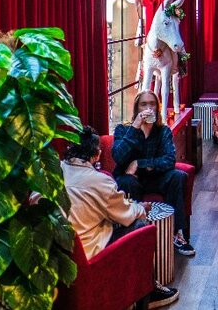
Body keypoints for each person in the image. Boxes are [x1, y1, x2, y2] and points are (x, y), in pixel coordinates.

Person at [62, 127, 179, 308]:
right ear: (97, 154)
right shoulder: (99, 181)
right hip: (87, 253)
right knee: (141, 226)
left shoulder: (53, 171)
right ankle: (147, 294)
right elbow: (126, 215)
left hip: (59, 250)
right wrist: (142, 208)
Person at [113, 91, 195, 257]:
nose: (148, 108)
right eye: (144, 104)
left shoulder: (162, 131)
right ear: (137, 108)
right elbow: (118, 157)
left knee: (177, 176)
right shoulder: (123, 129)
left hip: (155, 179)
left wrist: (139, 163)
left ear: (157, 109)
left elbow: (169, 160)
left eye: (152, 104)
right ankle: (134, 234)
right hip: (130, 180)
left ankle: (176, 234)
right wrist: (135, 127)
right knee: (127, 182)